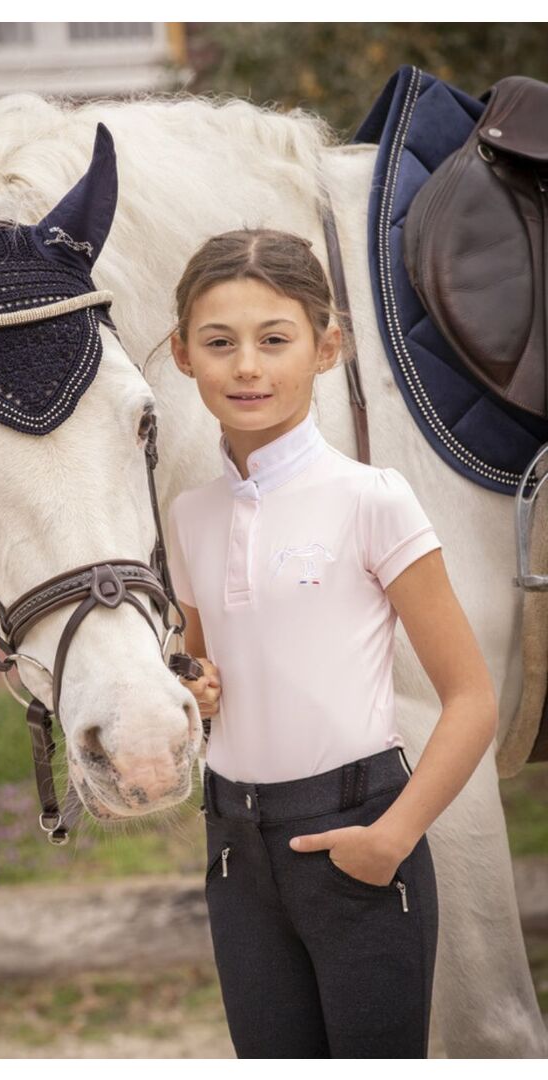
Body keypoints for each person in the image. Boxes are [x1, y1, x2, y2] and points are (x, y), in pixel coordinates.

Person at [161, 228, 498, 1059]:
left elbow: (472, 699)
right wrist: (197, 688)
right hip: (236, 852)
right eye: (219, 343)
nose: (247, 366)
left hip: (357, 835)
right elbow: (202, 670)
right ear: (181, 354)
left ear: (326, 346)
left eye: (275, 340)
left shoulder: (371, 500)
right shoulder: (189, 517)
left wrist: (391, 839)